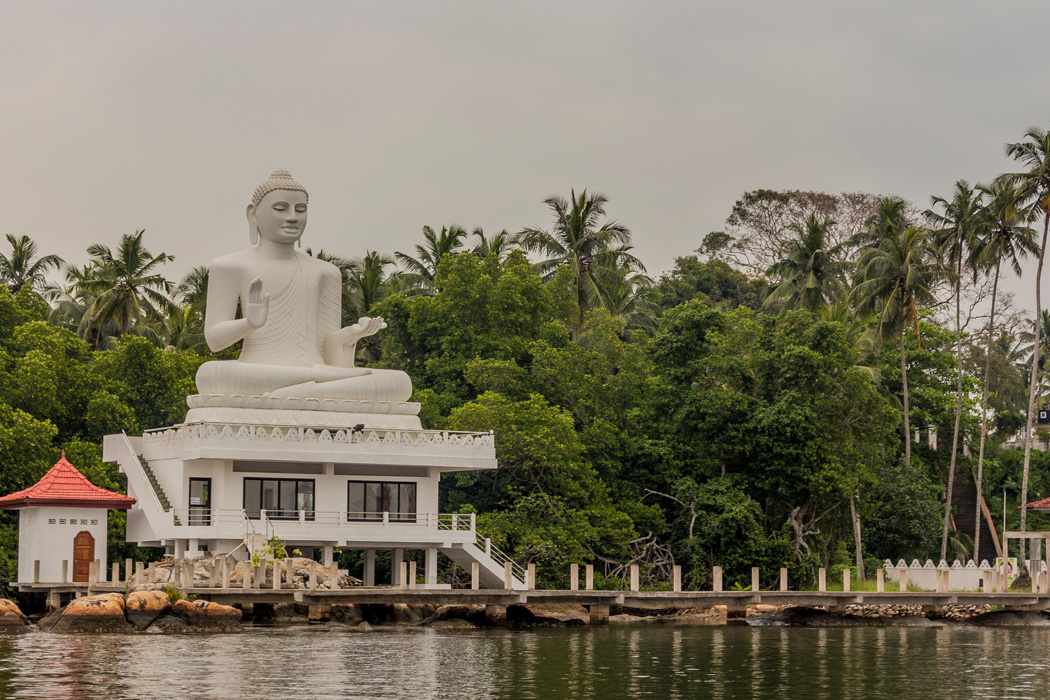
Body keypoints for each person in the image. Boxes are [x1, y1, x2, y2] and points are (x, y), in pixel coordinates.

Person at [194, 170, 411, 402]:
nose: (292, 217)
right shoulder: (231, 266)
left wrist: (351, 335)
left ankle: (299, 394)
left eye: (300, 210)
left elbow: (328, 349)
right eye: (280, 209)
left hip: (318, 371)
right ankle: (312, 392)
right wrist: (249, 323)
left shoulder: (325, 271)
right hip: (260, 373)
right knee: (214, 375)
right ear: (253, 215)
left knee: (399, 383)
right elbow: (214, 341)